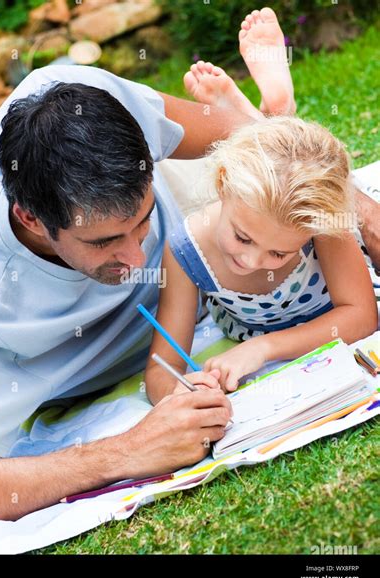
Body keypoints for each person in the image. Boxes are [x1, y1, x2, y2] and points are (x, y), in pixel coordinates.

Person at [0, 7, 378, 527]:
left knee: (268, 140)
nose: (140, 261)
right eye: (105, 241)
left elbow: (263, 147)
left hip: (219, 244)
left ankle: (275, 103)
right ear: (32, 219)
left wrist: (356, 211)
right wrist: (132, 449)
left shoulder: (79, 98)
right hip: (199, 287)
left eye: (141, 223)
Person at [144, 114, 378, 401]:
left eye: (279, 253)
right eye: (243, 237)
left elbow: (362, 317)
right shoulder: (186, 252)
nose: (251, 261)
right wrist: (180, 393)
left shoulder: (317, 220)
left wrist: (263, 348)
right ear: (223, 183)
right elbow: (161, 371)